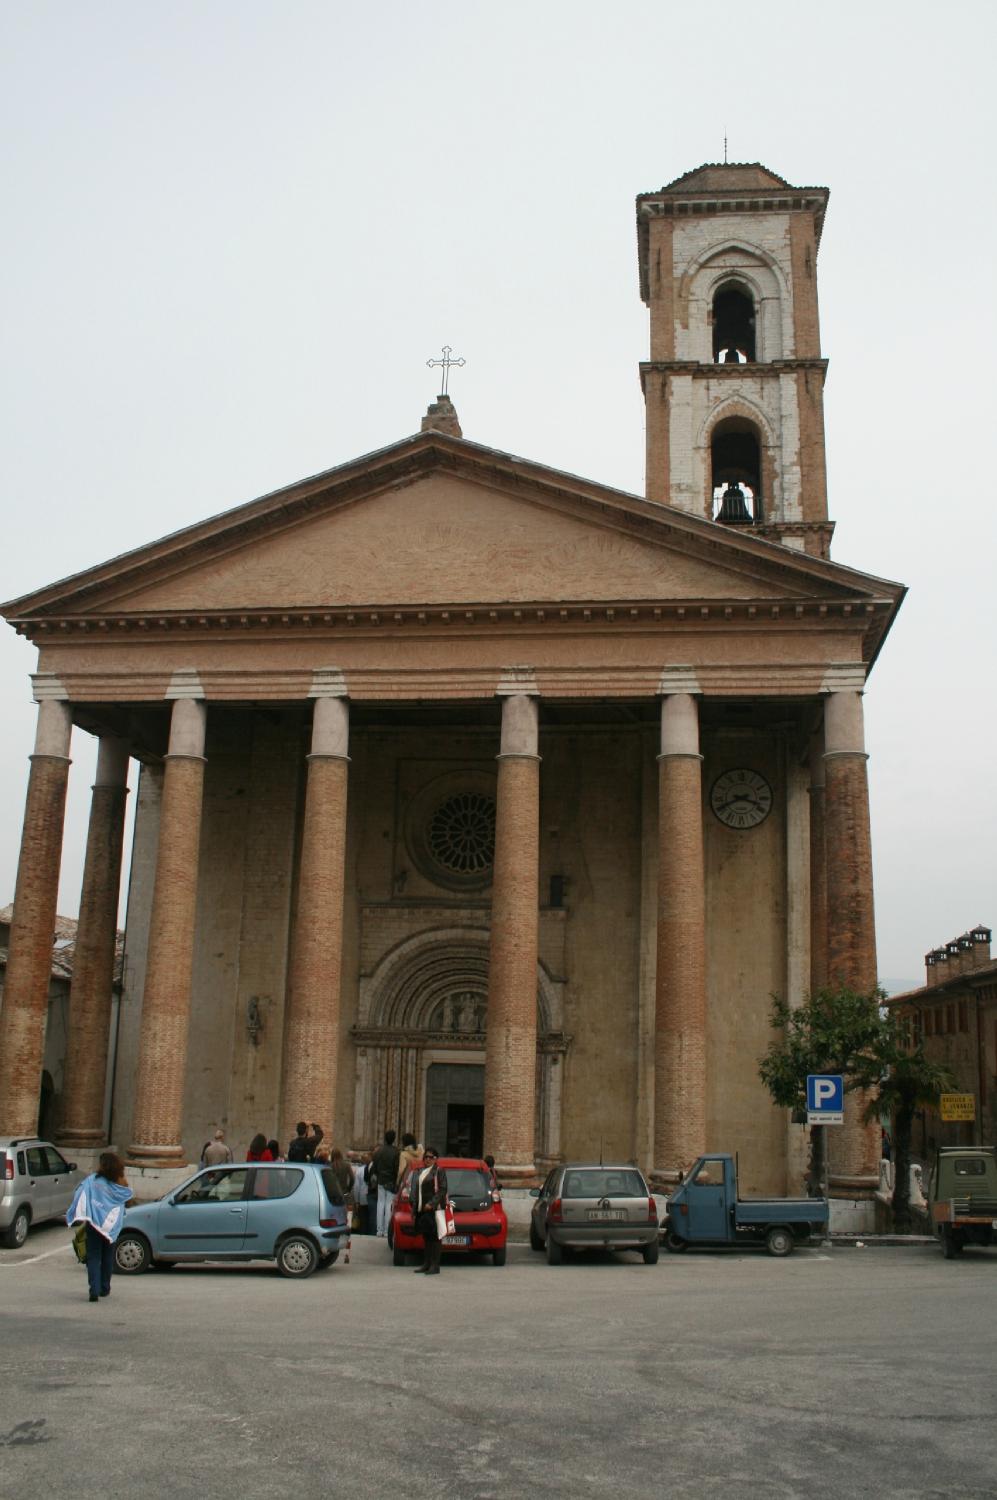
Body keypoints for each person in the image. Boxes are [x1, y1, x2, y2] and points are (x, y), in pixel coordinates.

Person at [66, 1152, 133, 1303]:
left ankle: (93, 1290)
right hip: (111, 1226)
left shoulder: (93, 1181)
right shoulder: (120, 1183)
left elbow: (80, 1193)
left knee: (94, 1257)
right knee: (108, 1257)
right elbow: (128, 1200)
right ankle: (105, 1288)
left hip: (94, 1224)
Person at [410, 1146, 448, 1276]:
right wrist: (414, 1207)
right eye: (426, 1157)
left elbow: (443, 1189)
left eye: (431, 1157)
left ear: (436, 1159)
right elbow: (415, 1190)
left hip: (433, 1209)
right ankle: (426, 1263)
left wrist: (432, 1203)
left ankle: (435, 1265)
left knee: (435, 1237)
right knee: (426, 1236)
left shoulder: (439, 1171)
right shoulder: (419, 1171)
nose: (427, 1159)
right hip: (421, 1208)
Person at [371, 1129, 400, 1237]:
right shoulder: (396, 1152)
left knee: (380, 1204)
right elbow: (396, 1168)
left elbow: (374, 1165)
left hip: (381, 1180)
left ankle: (379, 1230)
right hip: (391, 1181)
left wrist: (378, 1175)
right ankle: (387, 1230)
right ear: (394, 1139)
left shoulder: (379, 1151)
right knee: (389, 1205)